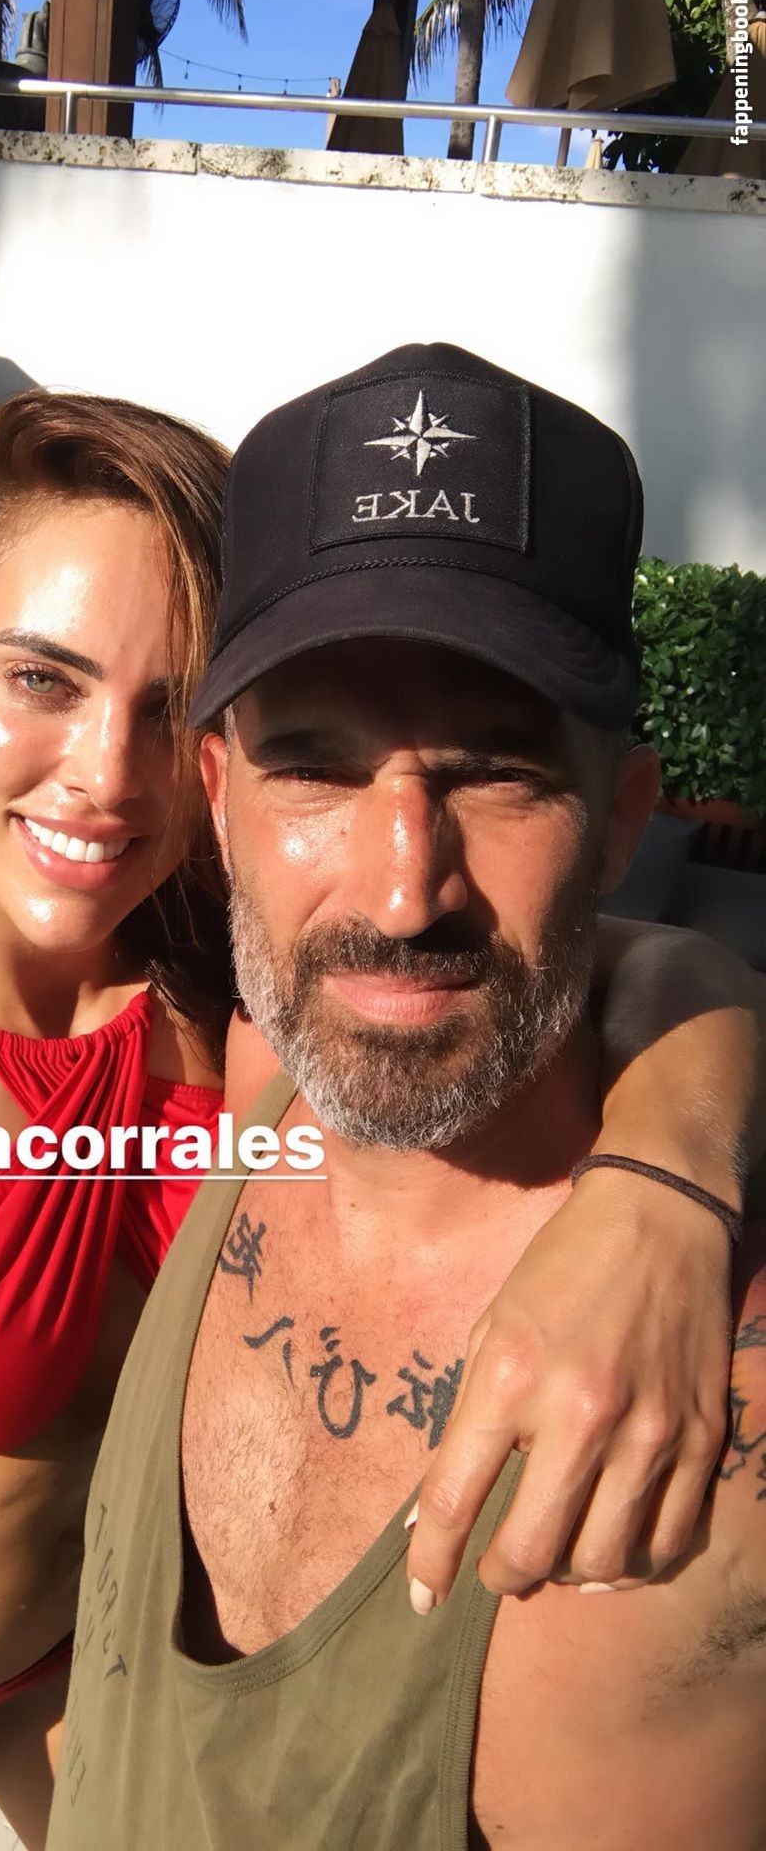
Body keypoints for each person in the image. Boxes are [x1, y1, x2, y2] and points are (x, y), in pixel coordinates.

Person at [0, 386, 758, 1851]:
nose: (104, 775)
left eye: (164, 705)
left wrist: (662, 1185)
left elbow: (628, 961)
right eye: (42, 680)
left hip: (82, 1660)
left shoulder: (236, 979)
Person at [45, 345, 766, 1851]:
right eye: (316, 768)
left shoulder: (711, 1419)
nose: (401, 890)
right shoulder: (261, 1084)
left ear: (622, 818)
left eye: (495, 772)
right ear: (220, 797)